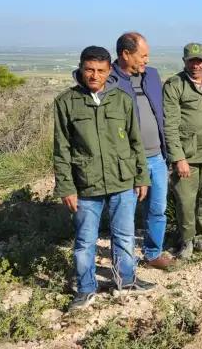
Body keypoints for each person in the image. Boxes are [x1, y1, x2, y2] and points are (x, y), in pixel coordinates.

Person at [53, 46, 154, 310]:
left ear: (109, 71)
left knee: (124, 236)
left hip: (122, 181)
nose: (94, 75)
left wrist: (141, 177)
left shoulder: (122, 99)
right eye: (89, 70)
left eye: (100, 70)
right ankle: (86, 289)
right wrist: (66, 186)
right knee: (85, 241)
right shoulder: (66, 102)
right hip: (86, 184)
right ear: (81, 69)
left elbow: (135, 142)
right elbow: (61, 149)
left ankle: (126, 281)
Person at [111, 32, 174, 270]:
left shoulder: (152, 76)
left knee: (158, 209)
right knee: (124, 216)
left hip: (156, 156)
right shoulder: (110, 81)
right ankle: (124, 267)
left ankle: (152, 254)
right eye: (143, 55)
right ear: (126, 54)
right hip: (126, 161)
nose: (146, 60)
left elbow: (162, 113)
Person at [163, 43, 202, 260]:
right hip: (187, 154)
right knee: (185, 199)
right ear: (185, 61)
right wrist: (178, 158)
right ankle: (187, 240)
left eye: (199, 60)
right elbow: (169, 126)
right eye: (192, 60)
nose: (196, 64)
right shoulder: (175, 85)